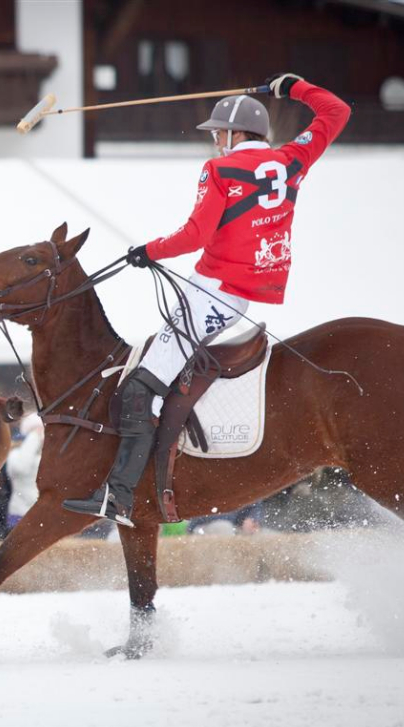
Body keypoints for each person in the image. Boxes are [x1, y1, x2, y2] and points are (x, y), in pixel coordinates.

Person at [64, 73, 351, 526]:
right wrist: (293, 87)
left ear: (237, 134)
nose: (216, 142)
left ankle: (119, 497)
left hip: (214, 292)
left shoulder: (219, 170)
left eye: (219, 133)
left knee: (139, 388)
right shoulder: (292, 158)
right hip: (244, 293)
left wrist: (148, 250)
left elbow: (195, 235)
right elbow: (337, 111)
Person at [6, 413, 43, 527]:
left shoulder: (44, 456)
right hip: (20, 513)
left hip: (42, 514)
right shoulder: (15, 454)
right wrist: (34, 437)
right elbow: (21, 468)